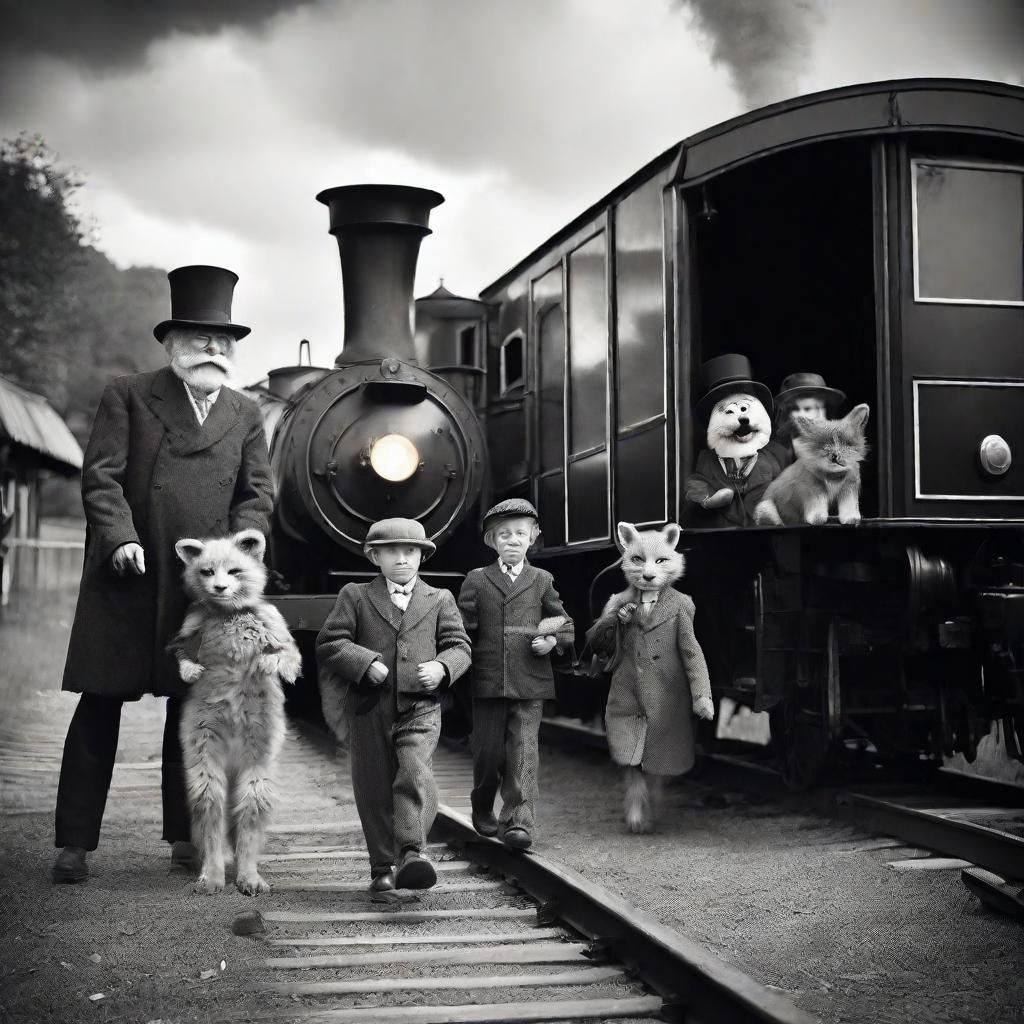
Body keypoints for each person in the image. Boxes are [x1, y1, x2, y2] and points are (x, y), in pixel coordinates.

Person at [52, 265, 274, 884]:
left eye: (223, 340)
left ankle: (188, 837)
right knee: (99, 706)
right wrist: (119, 538)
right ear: (172, 343)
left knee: (195, 710)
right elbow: (100, 477)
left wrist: (239, 552)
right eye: (201, 337)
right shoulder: (128, 393)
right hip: (127, 577)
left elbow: (256, 495)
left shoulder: (245, 411)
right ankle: (73, 844)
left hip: (201, 587)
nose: (213, 348)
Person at [316, 518, 471, 892]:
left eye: (411, 552)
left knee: (414, 771)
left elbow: (460, 646)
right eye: (392, 552)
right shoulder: (355, 596)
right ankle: (382, 866)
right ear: (375, 556)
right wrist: (364, 663)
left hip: (421, 707)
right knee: (373, 785)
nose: (403, 559)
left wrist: (442, 667)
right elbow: (329, 643)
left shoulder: (439, 599)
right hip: (370, 709)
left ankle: (413, 853)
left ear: (422, 556)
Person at [456, 499, 574, 850]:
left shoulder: (542, 580)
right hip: (488, 681)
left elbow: (564, 623)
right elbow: (462, 628)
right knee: (488, 753)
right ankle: (482, 801)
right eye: (503, 535)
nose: (512, 540)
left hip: (529, 681)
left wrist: (552, 639)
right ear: (491, 541)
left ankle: (518, 822)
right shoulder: (476, 581)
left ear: (533, 537)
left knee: (524, 751)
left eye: (520, 534)